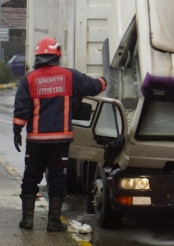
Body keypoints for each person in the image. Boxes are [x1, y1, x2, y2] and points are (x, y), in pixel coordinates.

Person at [13, 37, 105, 231]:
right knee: (57, 179)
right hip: (60, 141)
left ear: (37, 56)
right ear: (57, 55)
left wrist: (17, 131)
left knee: (31, 177)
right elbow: (95, 87)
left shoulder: (29, 79)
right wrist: (105, 80)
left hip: (36, 140)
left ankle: (27, 220)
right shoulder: (69, 76)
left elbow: (21, 110)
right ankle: (54, 222)